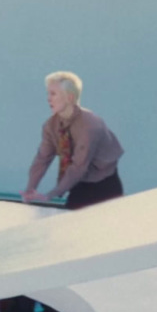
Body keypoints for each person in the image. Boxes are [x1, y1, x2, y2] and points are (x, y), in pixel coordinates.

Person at [21, 71, 125, 210]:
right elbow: (42, 159)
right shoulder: (50, 126)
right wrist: (30, 189)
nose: (48, 98)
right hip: (78, 184)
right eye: (48, 93)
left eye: (53, 94)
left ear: (69, 97)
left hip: (104, 185)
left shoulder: (90, 125)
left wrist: (51, 195)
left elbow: (79, 167)